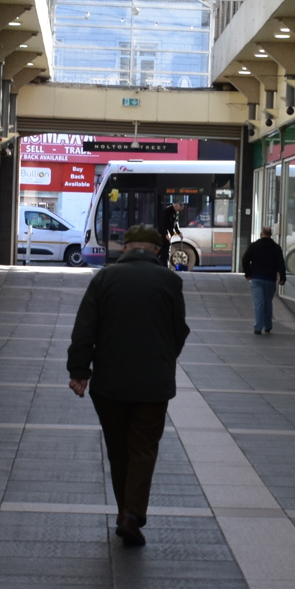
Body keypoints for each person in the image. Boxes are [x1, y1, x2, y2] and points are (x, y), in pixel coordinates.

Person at [67, 223, 190, 547]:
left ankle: (126, 512)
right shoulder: (170, 281)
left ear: (125, 249)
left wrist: (80, 370)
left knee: (118, 450)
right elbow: (180, 331)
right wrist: (164, 359)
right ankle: (130, 515)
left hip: (109, 384)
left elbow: (85, 329)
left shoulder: (104, 279)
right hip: (153, 385)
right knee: (143, 449)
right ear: (156, 251)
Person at [241, 225, 288, 334]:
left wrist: (247, 273)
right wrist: (282, 277)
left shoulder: (254, 246)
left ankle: (258, 327)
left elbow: (245, 260)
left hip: (256, 278)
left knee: (258, 303)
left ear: (261, 234)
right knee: (268, 302)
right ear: (271, 234)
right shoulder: (276, 247)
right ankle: (268, 325)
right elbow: (281, 263)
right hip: (270, 279)